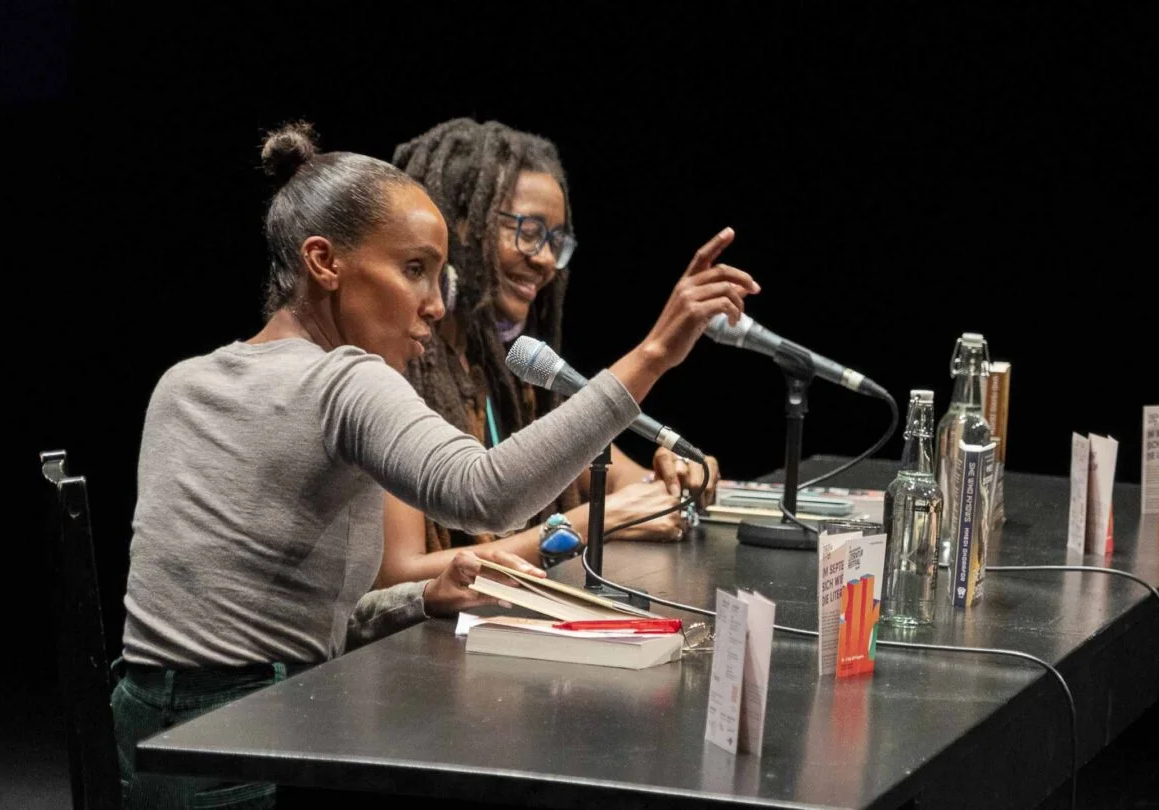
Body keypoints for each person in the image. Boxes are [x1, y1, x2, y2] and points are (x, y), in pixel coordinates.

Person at [110, 121, 758, 808]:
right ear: (324, 262)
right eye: (413, 270)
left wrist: (421, 596)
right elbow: (485, 493)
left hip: (144, 735)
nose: (435, 304)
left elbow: (248, 619)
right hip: (250, 744)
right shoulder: (345, 380)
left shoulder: (182, 380)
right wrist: (655, 353)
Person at [375, 118, 735, 586]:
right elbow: (397, 575)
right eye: (528, 230)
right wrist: (588, 524)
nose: (545, 258)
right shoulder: (396, 370)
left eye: (556, 241)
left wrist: (677, 472)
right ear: (459, 227)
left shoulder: (514, 376)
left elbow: (623, 481)